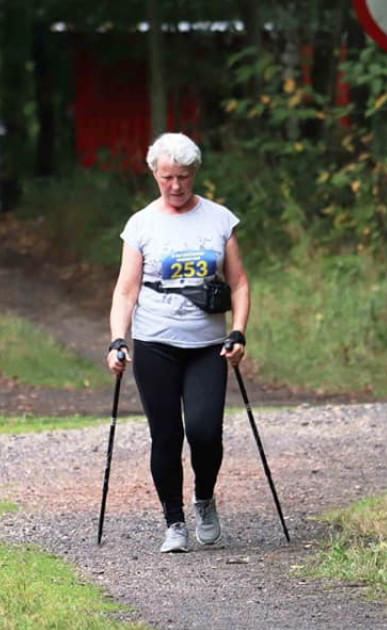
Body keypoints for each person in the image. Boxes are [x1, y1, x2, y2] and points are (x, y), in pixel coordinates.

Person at [106, 132, 249, 554]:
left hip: (207, 346)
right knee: (165, 436)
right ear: (154, 174)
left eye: (183, 177)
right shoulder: (141, 225)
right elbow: (125, 292)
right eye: (167, 177)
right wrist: (118, 339)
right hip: (155, 344)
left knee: (205, 432)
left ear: (195, 174)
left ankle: (203, 498)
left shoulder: (219, 219)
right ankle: (174, 522)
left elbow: (239, 283)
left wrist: (238, 331)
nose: (175, 186)